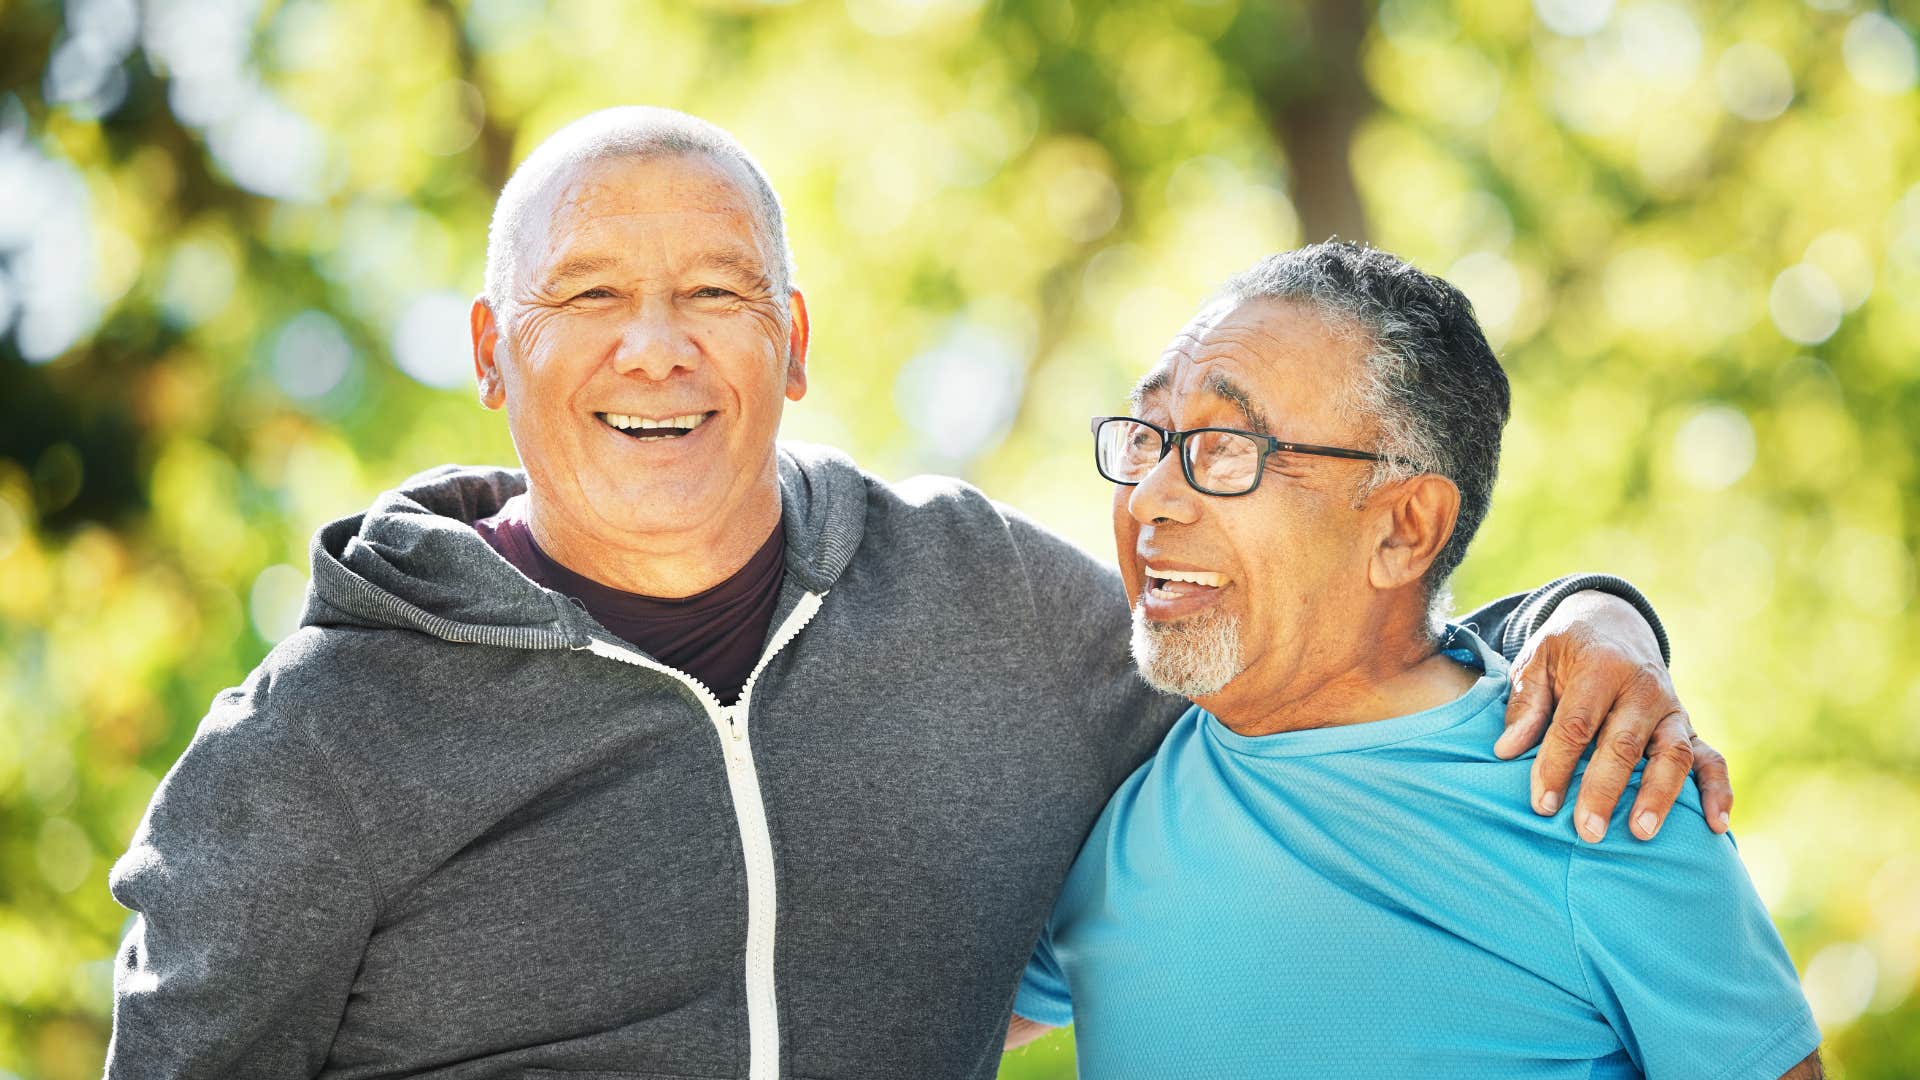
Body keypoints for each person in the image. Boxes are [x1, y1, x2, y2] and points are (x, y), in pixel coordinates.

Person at [106, 108, 1727, 1080]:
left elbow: (1312, 645)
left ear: (796, 343)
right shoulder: (318, 746)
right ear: (490, 355)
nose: (653, 346)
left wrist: (1583, 619)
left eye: (715, 295)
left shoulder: (987, 605)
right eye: (588, 295)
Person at [1008, 242, 1820, 1078]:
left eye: (1223, 446)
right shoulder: (1109, 796)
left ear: (1405, 529)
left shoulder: (1604, 796)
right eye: (1150, 437)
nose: (1148, 498)